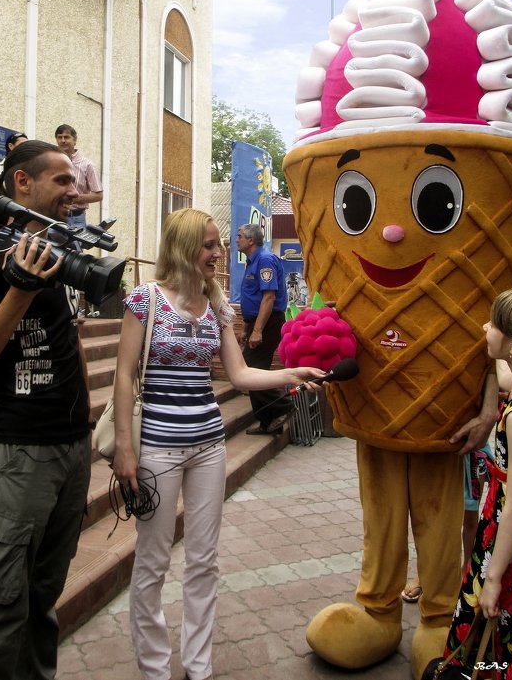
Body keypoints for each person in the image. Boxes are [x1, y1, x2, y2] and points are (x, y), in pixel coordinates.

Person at [112, 208, 325, 680]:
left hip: (208, 445)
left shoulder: (217, 305)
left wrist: (293, 373)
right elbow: (124, 375)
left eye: (220, 244)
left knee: (204, 560)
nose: (218, 252)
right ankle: (153, 669)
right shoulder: (145, 300)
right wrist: (125, 446)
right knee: (152, 560)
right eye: (209, 245)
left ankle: (198, 665)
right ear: (185, 248)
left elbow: (242, 374)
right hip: (158, 450)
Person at [0, 141, 92, 680]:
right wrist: (20, 292)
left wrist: (88, 423)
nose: (73, 191)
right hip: (17, 458)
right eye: (61, 181)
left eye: (74, 181)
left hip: (69, 451)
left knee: (41, 605)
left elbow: (66, 342)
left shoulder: (56, 254)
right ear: (22, 185)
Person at [442, 287, 512, 678]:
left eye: (493, 324)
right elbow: (505, 373)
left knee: (500, 626)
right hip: (507, 529)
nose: (484, 327)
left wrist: (494, 576)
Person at [235, 223, 295, 435]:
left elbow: (269, 298)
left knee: (249, 369)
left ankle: (284, 405)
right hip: (257, 322)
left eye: (240, 236)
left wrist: (258, 330)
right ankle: (269, 422)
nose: (236, 239)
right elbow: (253, 298)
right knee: (254, 370)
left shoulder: (265, 260)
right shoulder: (252, 262)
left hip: (268, 323)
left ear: (251, 240)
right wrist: (246, 328)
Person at [54, 123, 103, 227]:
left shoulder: (87, 165)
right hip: (55, 216)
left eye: (66, 137)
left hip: (76, 219)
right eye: (59, 137)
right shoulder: (52, 162)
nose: (63, 141)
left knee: (76, 244)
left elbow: (98, 196)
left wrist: (73, 198)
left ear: (75, 140)